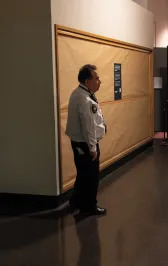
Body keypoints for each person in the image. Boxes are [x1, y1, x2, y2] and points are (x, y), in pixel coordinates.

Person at [66, 64, 107, 215]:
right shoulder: (84, 99)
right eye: (96, 78)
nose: (99, 81)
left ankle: (76, 200)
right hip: (85, 144)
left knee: (83, 173)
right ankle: (89, 206)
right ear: (87, 81)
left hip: (79, 143)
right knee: (91, 176)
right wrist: (92, 148)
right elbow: (88, 126)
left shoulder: (80, 93)